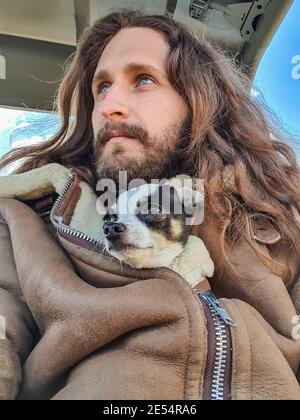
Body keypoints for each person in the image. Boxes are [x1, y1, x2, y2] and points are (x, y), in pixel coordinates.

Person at [0, 9, 299, 400]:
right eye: (101, 88)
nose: (110, 106)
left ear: (197, 98)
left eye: (143, 80)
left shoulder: (279, 214)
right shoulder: (24, 221)